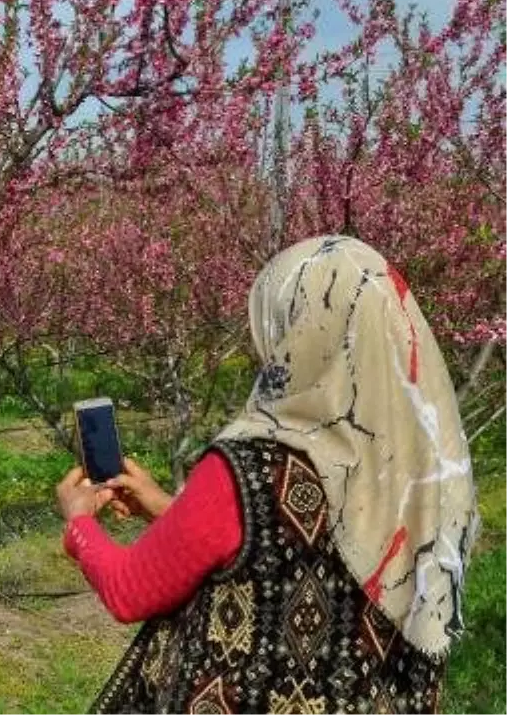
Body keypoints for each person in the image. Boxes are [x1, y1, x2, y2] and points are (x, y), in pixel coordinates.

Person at [56, 235, 479, 714]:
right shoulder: (422, 472)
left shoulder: (250, 466)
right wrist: (168, 509)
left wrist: (79, 524)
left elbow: (129, 589)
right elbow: (298, 548)